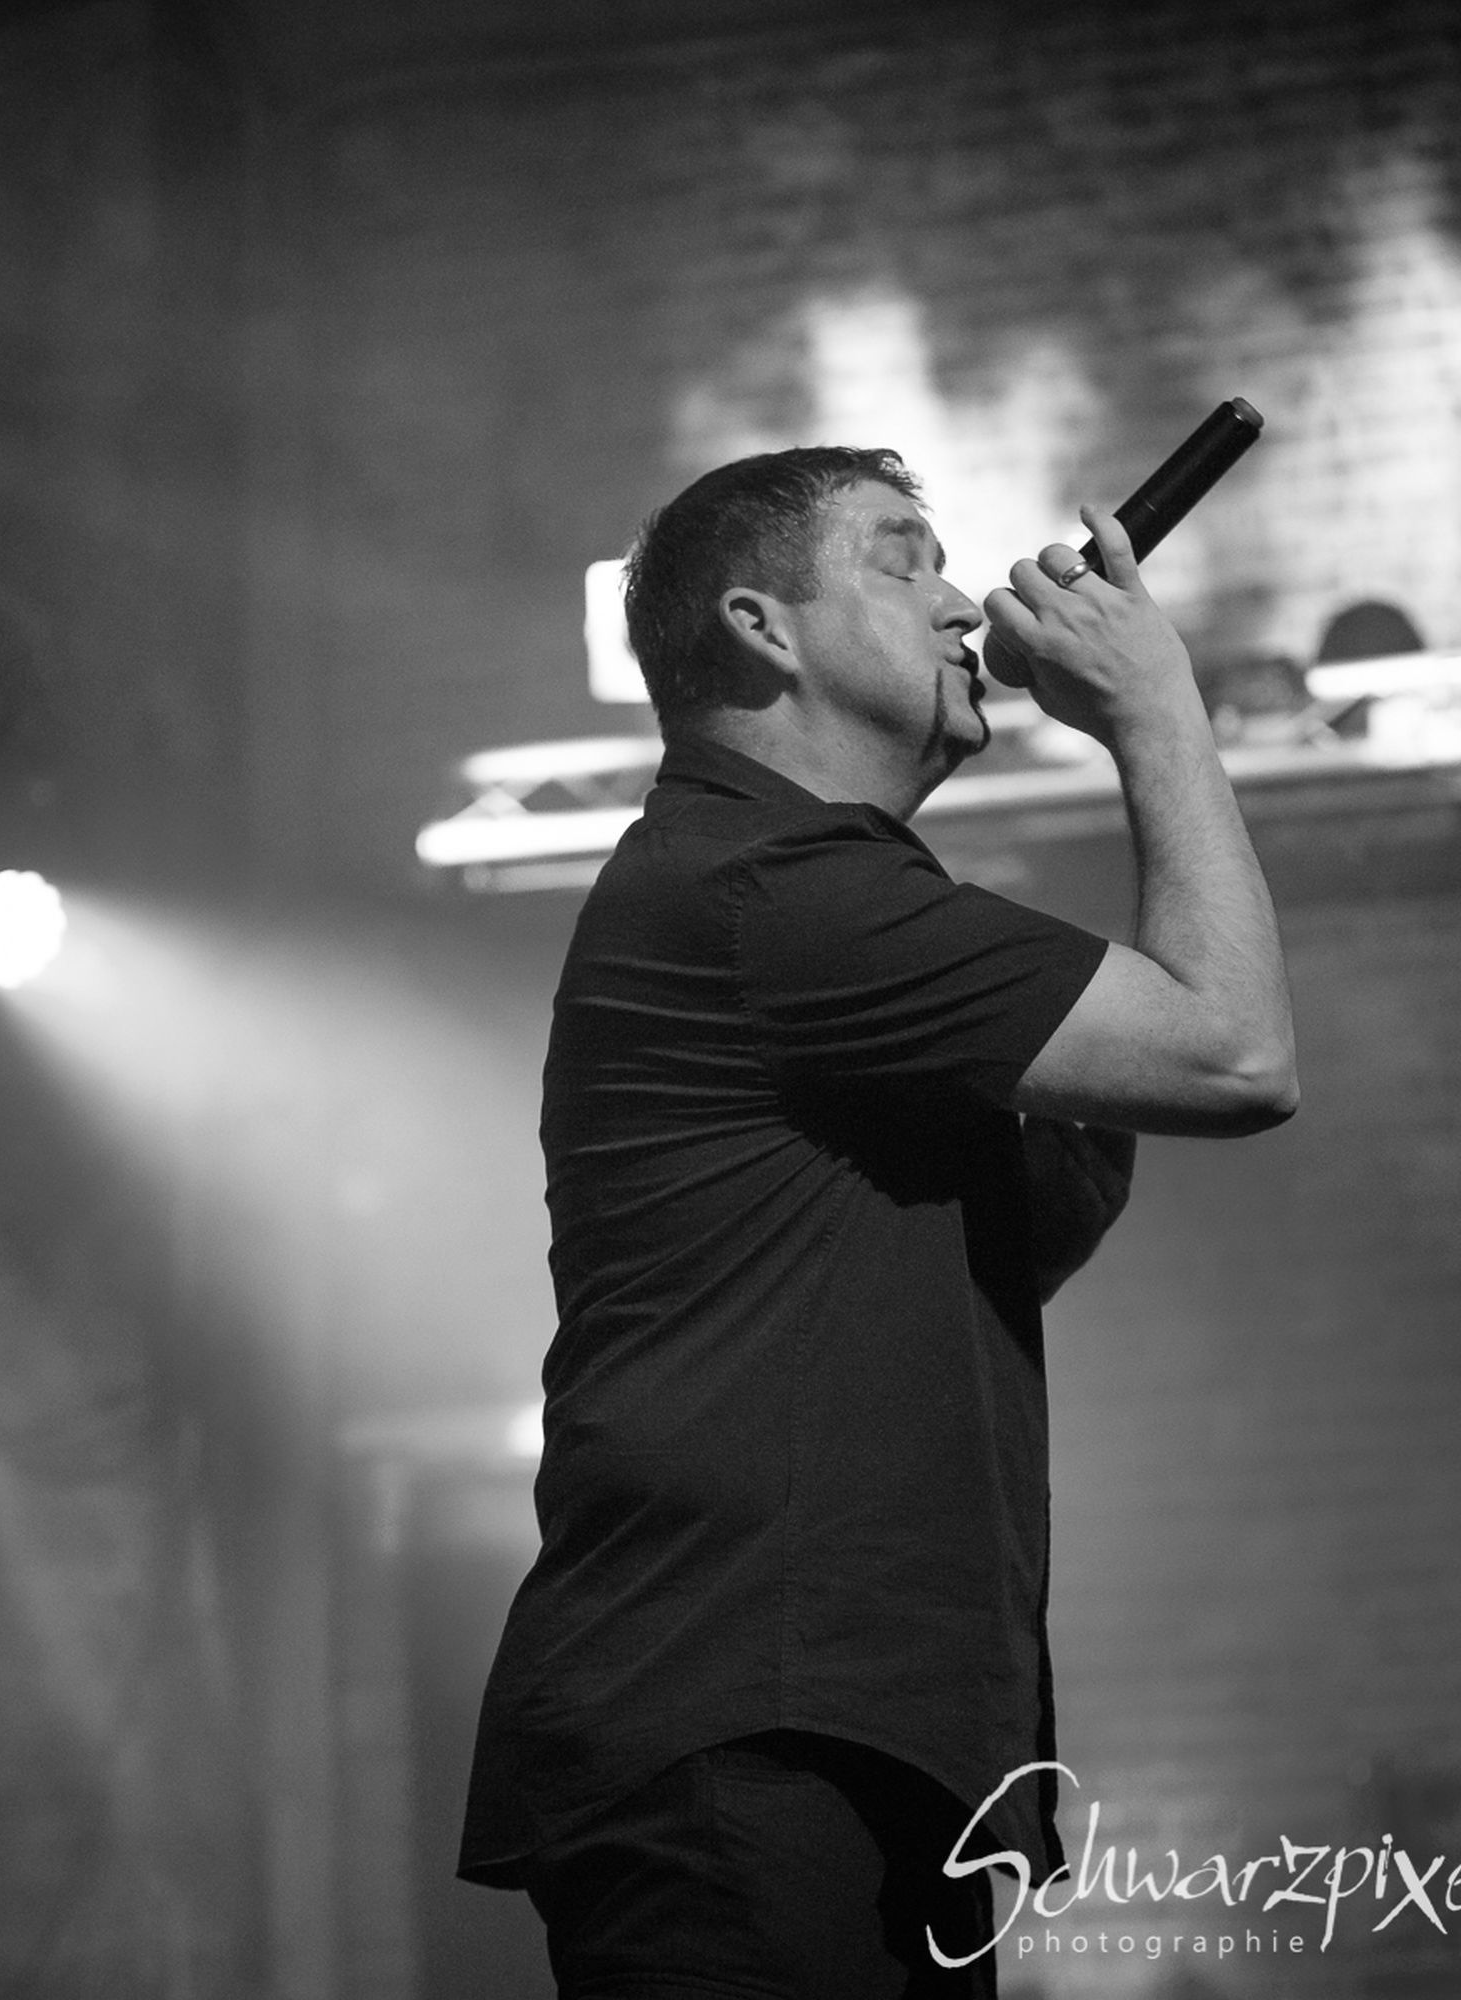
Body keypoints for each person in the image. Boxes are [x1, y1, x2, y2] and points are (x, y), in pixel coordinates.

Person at [459, 446, 1297, 1997]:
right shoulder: (766, 888)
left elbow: (1005, 1239)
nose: (964, 603)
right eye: (905, 560)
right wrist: (1156, 711)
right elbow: (1235, 1054)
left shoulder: (816, 901)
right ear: (762, 627)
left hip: (838, 1738)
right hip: (747, 1731)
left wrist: (1080, 1071)